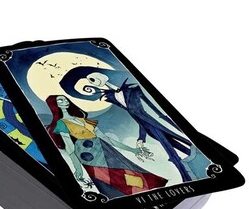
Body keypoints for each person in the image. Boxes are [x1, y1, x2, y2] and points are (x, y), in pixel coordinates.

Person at [59, 66, 198, 182]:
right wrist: (141, 138)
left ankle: (191, 173)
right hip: (150, 129)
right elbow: (139, 118)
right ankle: (188, 175)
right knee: (175, 151)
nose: (93, 88)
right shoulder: (112, 97)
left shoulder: (134, 87)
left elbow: (151, 109)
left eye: (91, 82)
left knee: (183, 146)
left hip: (164, 123)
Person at [45, 95, 167, 198]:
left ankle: (143, 197)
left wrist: (132, 150)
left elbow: (107, 139)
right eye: (60, 100)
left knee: (128, 173)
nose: (65, 101)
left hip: (106, 149)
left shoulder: (83, 120)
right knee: (108, 180)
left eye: (65, 99)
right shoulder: (61, 123)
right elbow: (70, 148)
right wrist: (78, 168)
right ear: (55, 105)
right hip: (88, 154)